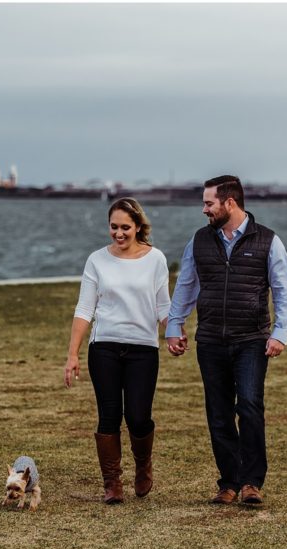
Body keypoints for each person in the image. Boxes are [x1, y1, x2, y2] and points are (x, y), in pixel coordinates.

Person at [166, 175, 287, 507]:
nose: (204, 210)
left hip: (252, 339)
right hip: (210, 340)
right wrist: (174, 325)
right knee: (219, 413)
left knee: (250, 407)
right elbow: (186, 285)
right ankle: (229, 483)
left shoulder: (268, 241)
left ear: (230, 203)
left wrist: (281, 333)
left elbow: (285, 292)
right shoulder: (199, 241)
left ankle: (252, 483)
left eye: (209, 203)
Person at [65, 198, 171, 504]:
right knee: (108, 416)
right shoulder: (97, 260)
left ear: (138, 226)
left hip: (143, 350)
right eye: (114, 227)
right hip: (104, 349)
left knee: (138, 417)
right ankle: (112, 483)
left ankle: (143, 466)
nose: (119, 233)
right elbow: (85, 309)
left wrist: (174, 332)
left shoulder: (156, 260)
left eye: (126, 227)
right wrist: (72, 354)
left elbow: (163, 305)